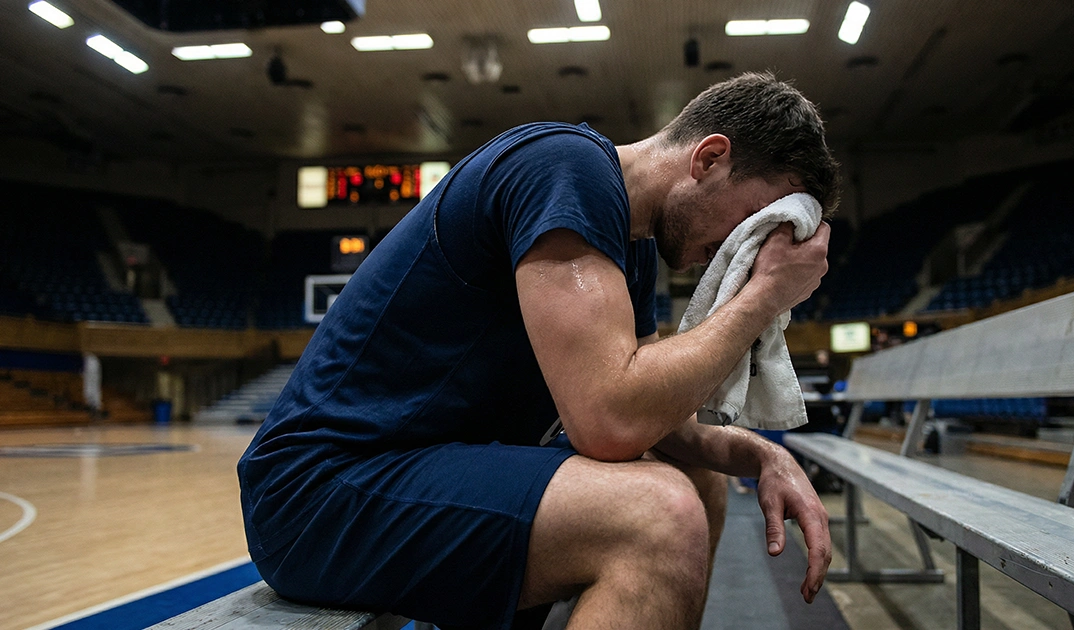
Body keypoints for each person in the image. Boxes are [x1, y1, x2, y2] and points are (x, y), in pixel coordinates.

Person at [238, 71, 839, 630]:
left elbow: (659, 422)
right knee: (658, 517)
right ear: (708, 158)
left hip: (413, 467)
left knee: (697, 479)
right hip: (319, 488)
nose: (750, 250)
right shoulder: (567, 169)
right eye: (757, 219)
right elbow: (611, 420)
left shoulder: (631, 248)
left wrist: (761, 456)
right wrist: (763, 296)